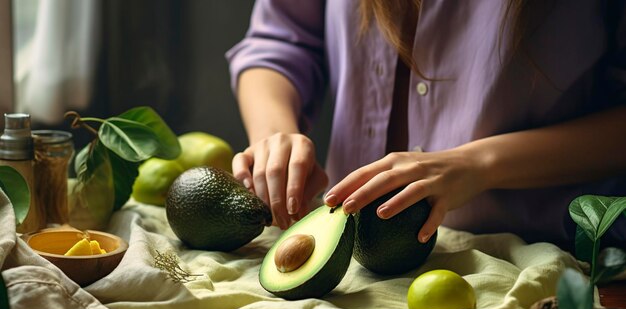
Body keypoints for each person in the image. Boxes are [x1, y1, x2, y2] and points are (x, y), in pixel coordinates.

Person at [226, 0, 626, 250]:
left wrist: (482, 163)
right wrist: (274, 136)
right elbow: (281, 40)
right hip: (351, 258)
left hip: (553, 256)